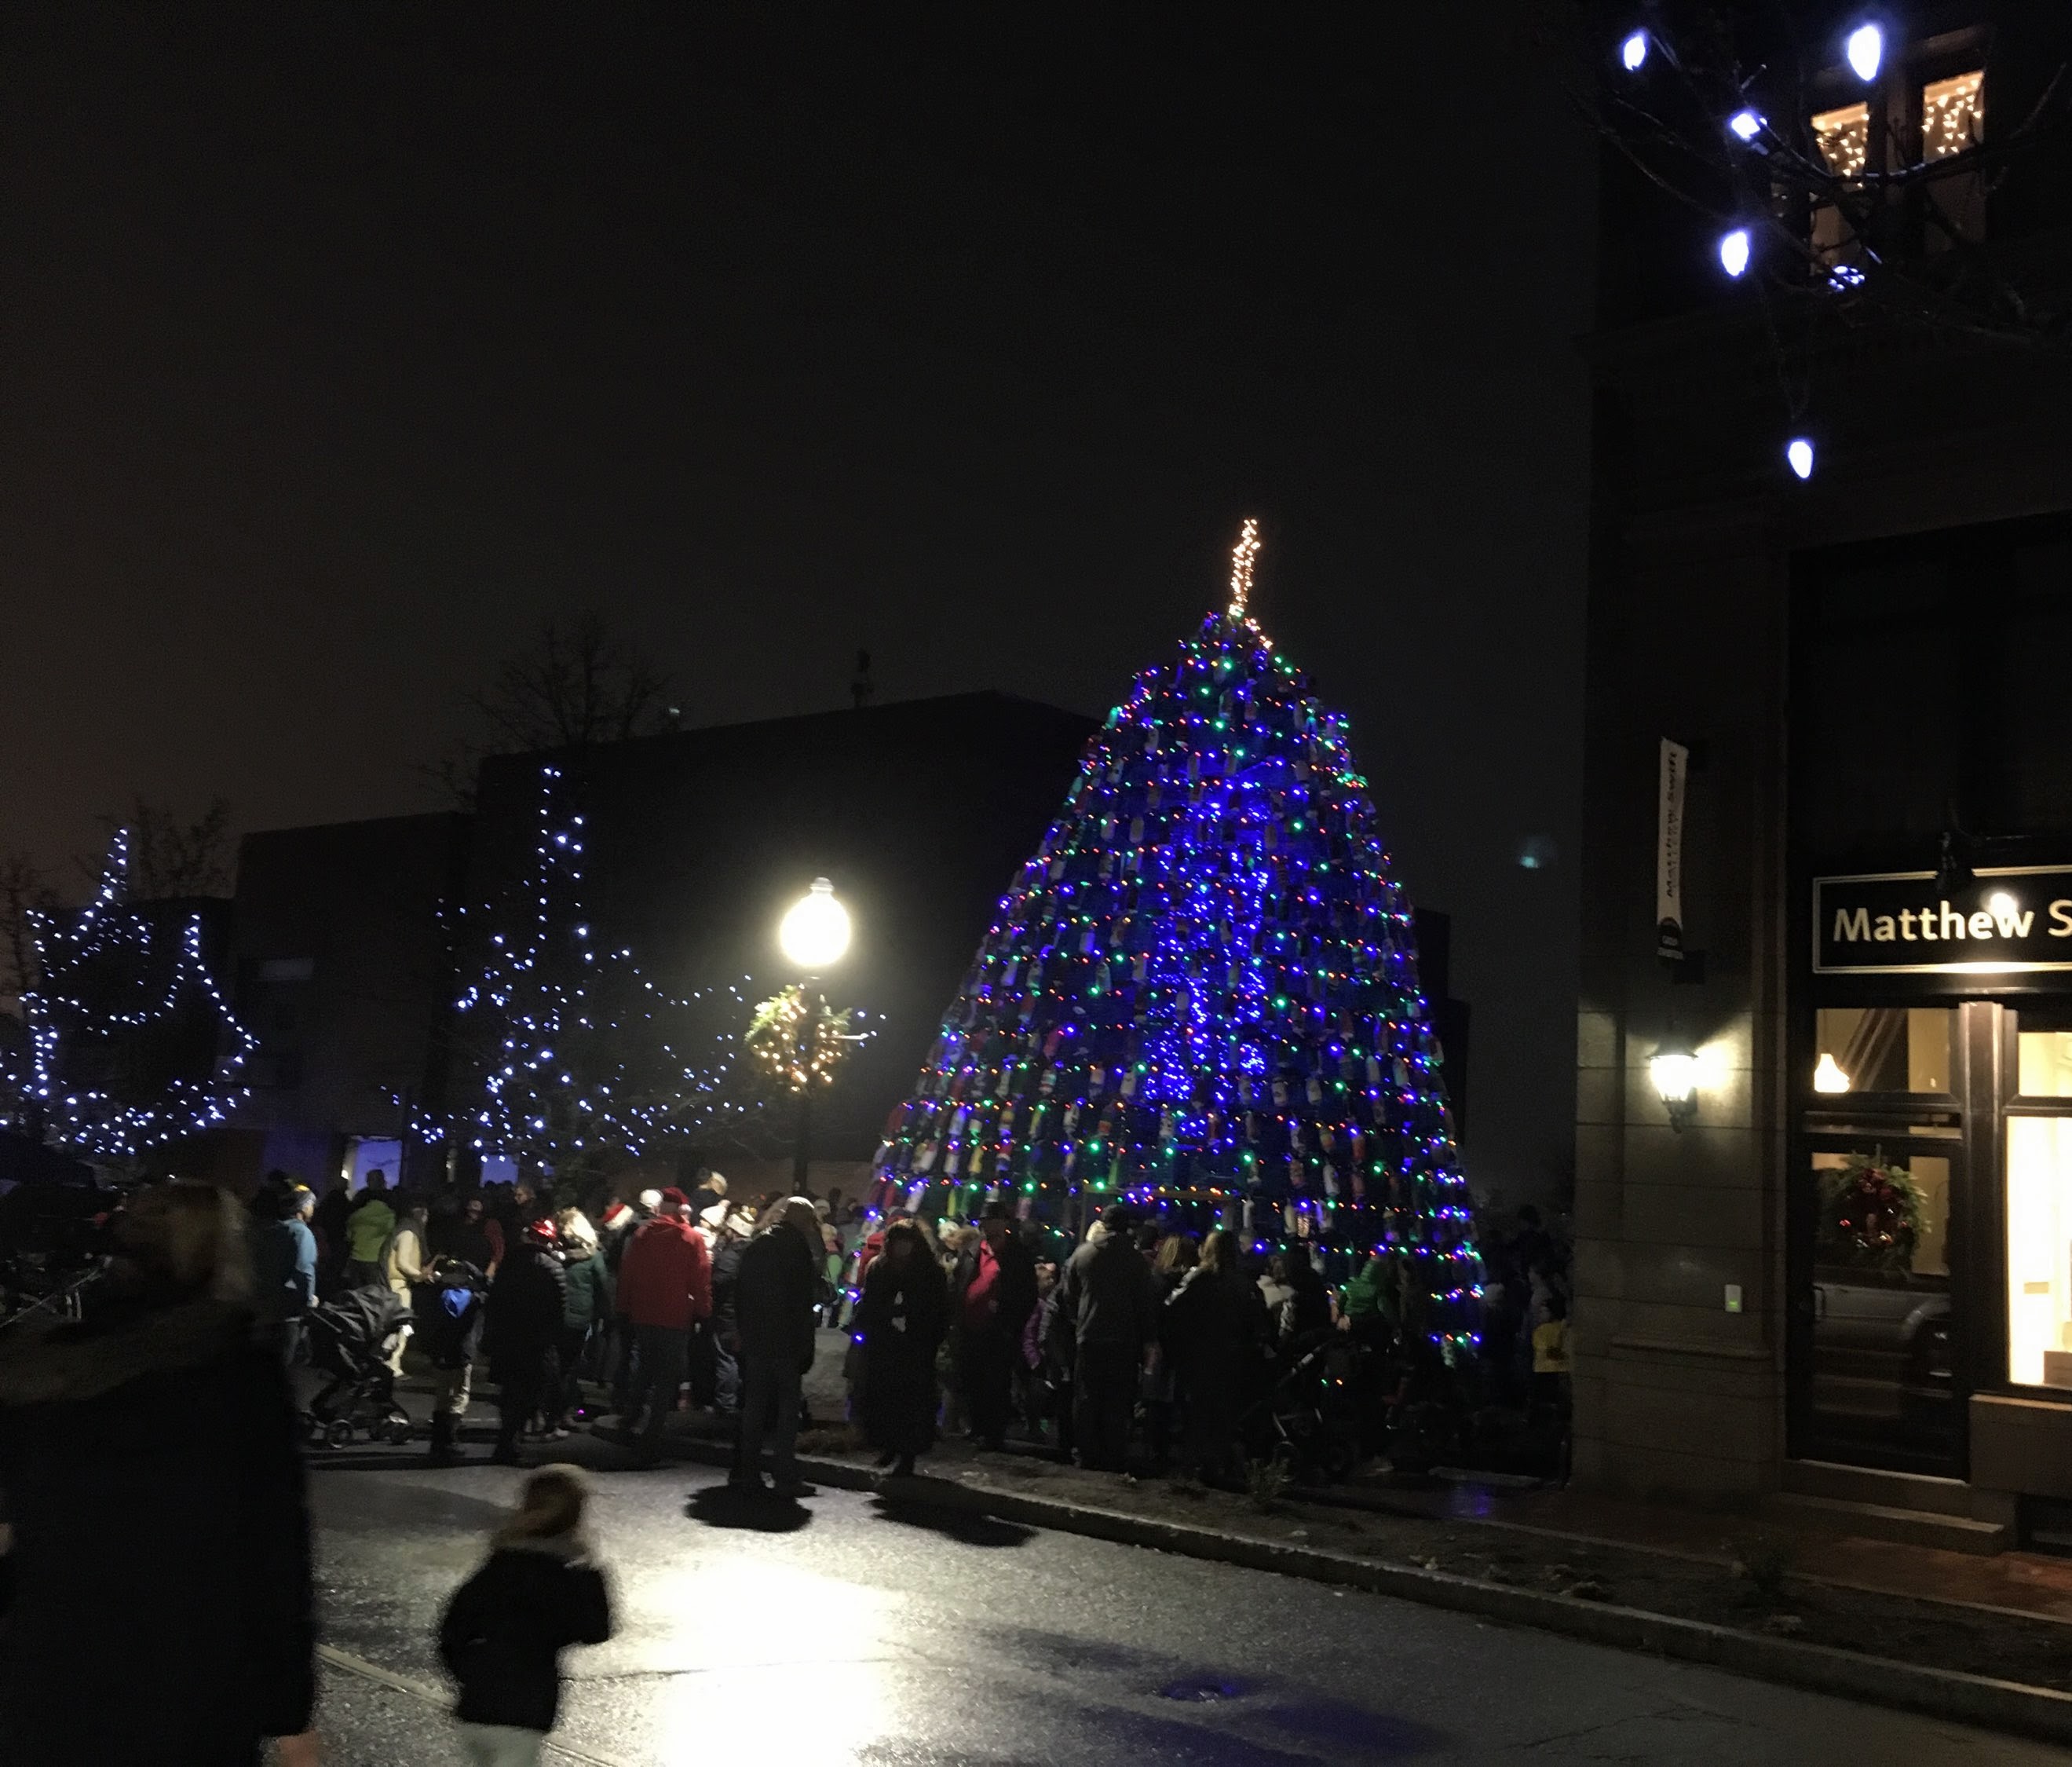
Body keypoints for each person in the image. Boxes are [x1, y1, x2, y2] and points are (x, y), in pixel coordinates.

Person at [0, 1178, 319, 1766]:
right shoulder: (233, 1373)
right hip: (190, 1671)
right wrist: (288, 1706)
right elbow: (273, 1547)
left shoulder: (49, 1370)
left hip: (52, 1666)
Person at [439, 1464, 614, 1767]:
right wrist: (592, 1571)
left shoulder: (501, 1561)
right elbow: (596, 1629)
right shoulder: (571, 1570)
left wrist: (470, 1673)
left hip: (477, 1704)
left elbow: (453, 1627)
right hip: (526, 1707)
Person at [732, 1196, 824, 1495]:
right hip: (786, 1341)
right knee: (787, 1409)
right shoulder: (797, 1249)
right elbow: (802, 1297)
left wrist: (744, 1331)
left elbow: (741, 1293)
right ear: (804, 1220)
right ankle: (784, 1472)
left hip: (758, 1339)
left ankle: (746, 1470)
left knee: (754, 1406)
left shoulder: (758, 1245)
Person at [1055, 1204, 1158, 1472]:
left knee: (1086, 1397)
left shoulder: (1083, 1254)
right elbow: (1145, 1303)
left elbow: (1068, 1294)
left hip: (1089, 1334)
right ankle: (1113, 1453)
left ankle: (1085, 1453)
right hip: (1124, 1338)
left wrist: (1081, 1319)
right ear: (1127, 1227)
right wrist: (1148, 1337)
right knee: (1117, 1399)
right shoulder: (1136, 1261)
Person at [1163, 1227, 1267, 1483]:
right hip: (1232, 1356)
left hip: (1199, 1354)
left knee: (1196, 1413)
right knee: (1223, 1414)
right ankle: (1216, 1465)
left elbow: (1172, 1307)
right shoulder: (1244, 1284)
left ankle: (1193, 1465)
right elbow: (1259, 1323)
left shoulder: (1199, 1278)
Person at [614, 1187, 711, 1449]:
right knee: (666, 1377)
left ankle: (629, 1420)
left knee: (644, 1370)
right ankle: (653, 1432)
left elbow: (628, 1273)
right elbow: (700, 1281)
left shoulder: (642, 1234)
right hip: (675, 1315)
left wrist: (624, 1306)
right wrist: (704, 1311)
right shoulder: (691, 1239)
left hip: (643, 1313)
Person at [851, 1219, 949, 1476]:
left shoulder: (930, 1272)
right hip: (886, 1345)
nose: (902, 1247)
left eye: (907, 1241)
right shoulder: (880, 1268)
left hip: (916, 1347)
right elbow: (870, 1303)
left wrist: (927, 1334)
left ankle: (908, 1455)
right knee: (887, 1400)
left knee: (912, 1403)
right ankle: (889, 1446)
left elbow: (939, 1309)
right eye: (897, 1242)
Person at [949, 1203, 1039, 1451]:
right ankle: (975, 1427)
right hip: (970, 1327)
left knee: (996, 1384)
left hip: (999, 1332)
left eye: (995, 1220)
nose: (990, 1226)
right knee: (972, 1379)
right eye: (986, 1221)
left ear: (1006, 1223)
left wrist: (1011, 1323)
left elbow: (1027, 1295)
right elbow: (958, 1282)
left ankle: (993, 1433)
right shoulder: (972, 1249)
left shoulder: (1018, 1254)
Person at [484, 1220, 568, 1465]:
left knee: (510, 1390)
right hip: (537, 1341)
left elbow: (495, 1300)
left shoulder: (510, 1263)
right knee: (531, 1390)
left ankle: (507, 1439)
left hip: (509, 1337)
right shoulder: (553, 1267)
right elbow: (560, 1309)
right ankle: (513, 1439)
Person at [422, 1254, 488, 1466]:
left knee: (442, 1395)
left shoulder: (436, 1294)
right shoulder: (475, 1299)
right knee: (460, 1395)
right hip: (462, 1353)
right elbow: (492, 1289)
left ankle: (437, 1443)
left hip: (440, 1351)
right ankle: (451, 1441)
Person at [549, 1210, 611, 1430]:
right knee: (570, 1367)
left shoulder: (557, 1253)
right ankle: (564, 1413)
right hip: (580, 1318)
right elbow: (603, 1288)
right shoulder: (594, 1256)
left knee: (554, 1367)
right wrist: (607, 1315)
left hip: (555, 1316)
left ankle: (549, 1415)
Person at [250, 1176, 319, 1368]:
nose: (313, 1209)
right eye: (312, 1204)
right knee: (282, 1361)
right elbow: (305, 1270)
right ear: (303, 1208)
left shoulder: (274, 1229)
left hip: (266, 1304)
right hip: (290, 1309)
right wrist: (308, 1300)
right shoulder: (302, 1233)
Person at [1142, 1233, 1197, 1471]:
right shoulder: (1192, 1285)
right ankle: (1179, 1456)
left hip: (1157, 1348)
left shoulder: (1154, 1280)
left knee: (1156, 1403)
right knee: (1180, 1404)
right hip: (1182, 1349)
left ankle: (1155, 1452)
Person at [385, 1196, 430, 1374]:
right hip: (398, 1286)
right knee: (402, 1326)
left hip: (400, 1285)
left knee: (401, 1326)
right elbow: (402, 1262)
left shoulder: (402, 1229)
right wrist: (421, 1275)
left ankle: (393, 1362)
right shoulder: (408, 1233)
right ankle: (393, 1363)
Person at [342, 1169, 397, 1289]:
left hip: (356, 1256)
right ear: (383, 1181)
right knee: (374, 1293)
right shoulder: (391, 1202)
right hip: (377, 1258)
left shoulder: (360, 1199)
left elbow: (349, 1228)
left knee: (356, 1292)